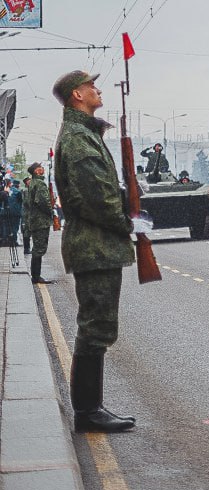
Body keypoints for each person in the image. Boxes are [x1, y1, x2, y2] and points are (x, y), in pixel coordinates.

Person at [52, 70, 137, 433]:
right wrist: (128, 222)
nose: (97, 90)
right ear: (77, 95)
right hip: (94, 244)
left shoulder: (82, 134)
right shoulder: (77, 138)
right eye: (91, 86)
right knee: (94, 327)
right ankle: (88, 411)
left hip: (96, 244)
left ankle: (91, 407)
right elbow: (96, 197)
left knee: (98, 326)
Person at [22, 162, 55, 284]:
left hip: (35, 220)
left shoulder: (33, 183)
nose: (42, 169)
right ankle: (36, 276)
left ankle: (35, 275)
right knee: (39, 249)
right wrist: (51, 212)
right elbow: (43, 202)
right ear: (36, 171)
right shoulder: (40, 183)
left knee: (37, 248)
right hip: (40, 221)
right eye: (40, 168)